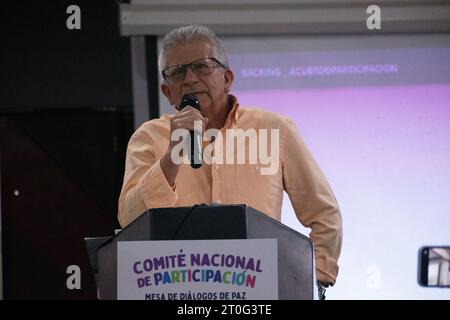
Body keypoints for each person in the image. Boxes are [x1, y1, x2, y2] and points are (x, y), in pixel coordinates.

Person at [118, 24, 342, 299]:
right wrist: (172, 156)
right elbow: (130, 221)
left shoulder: (275, 130)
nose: (189, 79)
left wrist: (313, 277)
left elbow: (324, 214)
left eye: (202, 66)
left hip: (260, 291)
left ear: (227, 78)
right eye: (177, 72)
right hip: (179, 290)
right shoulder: (148, 138)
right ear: (168, 92)